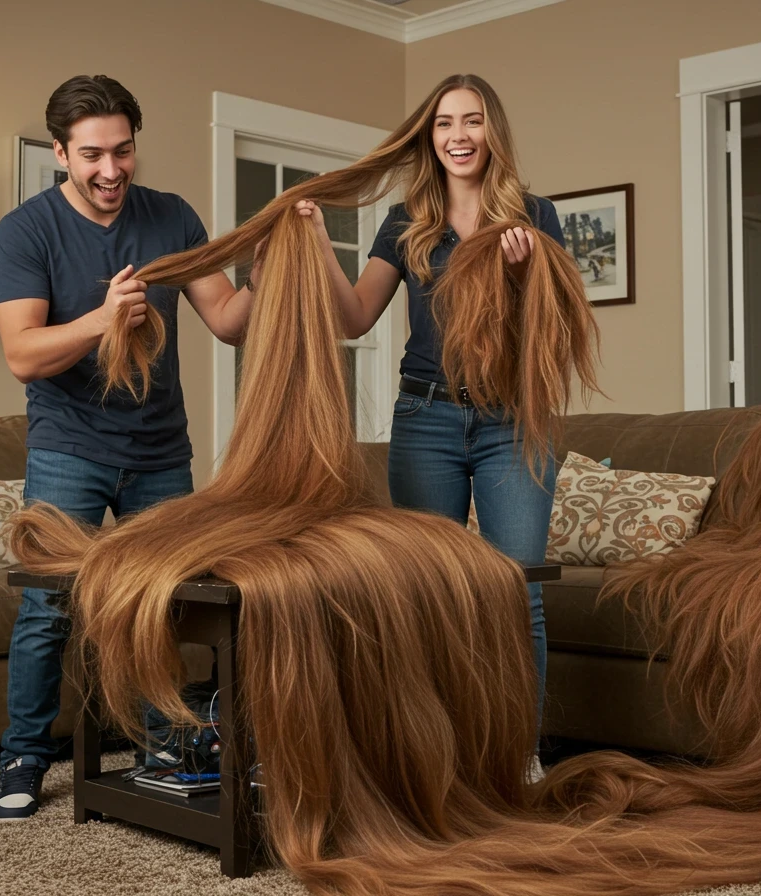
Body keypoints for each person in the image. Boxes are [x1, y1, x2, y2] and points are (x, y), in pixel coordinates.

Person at [0, 74, 254, 820]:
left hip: (161, 448)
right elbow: (24, 353)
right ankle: (23, 758)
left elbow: (229, 319)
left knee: (165, 603)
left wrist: (269, 269)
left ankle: (163, 743)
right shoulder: (26, 230)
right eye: (94, 155)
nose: (111, 171)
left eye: (124, 151)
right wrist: (102, 320)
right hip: (68, 445)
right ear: (60, 153)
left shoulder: (172, 219)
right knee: (47, 606)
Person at [295, 74, 565, 731]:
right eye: (445, 124)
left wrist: (527, 275)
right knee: (424, 591)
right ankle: (434, 748)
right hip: (425, 421)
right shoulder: (404, 223)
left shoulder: (536, 217)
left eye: (471, 121)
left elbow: (555, 334)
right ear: (430, 136)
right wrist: (324, 247)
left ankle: (517, 752)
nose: (458, 136)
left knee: (517, 589)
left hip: (513, 421)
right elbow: (354, 316)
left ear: (491, 131)